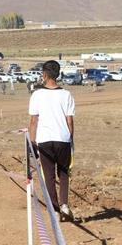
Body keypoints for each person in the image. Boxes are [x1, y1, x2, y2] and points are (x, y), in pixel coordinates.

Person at [29, 60, 75, 221]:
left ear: (45, 74)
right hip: (63, 138)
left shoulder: (37, 95)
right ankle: (64, 204)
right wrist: (71, 140)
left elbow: (34, 121)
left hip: (45, 140)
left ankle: (55, 210)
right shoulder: (67, 94)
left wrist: (32, 142)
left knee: (48, 175)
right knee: (63, 173)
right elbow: (69, 121)